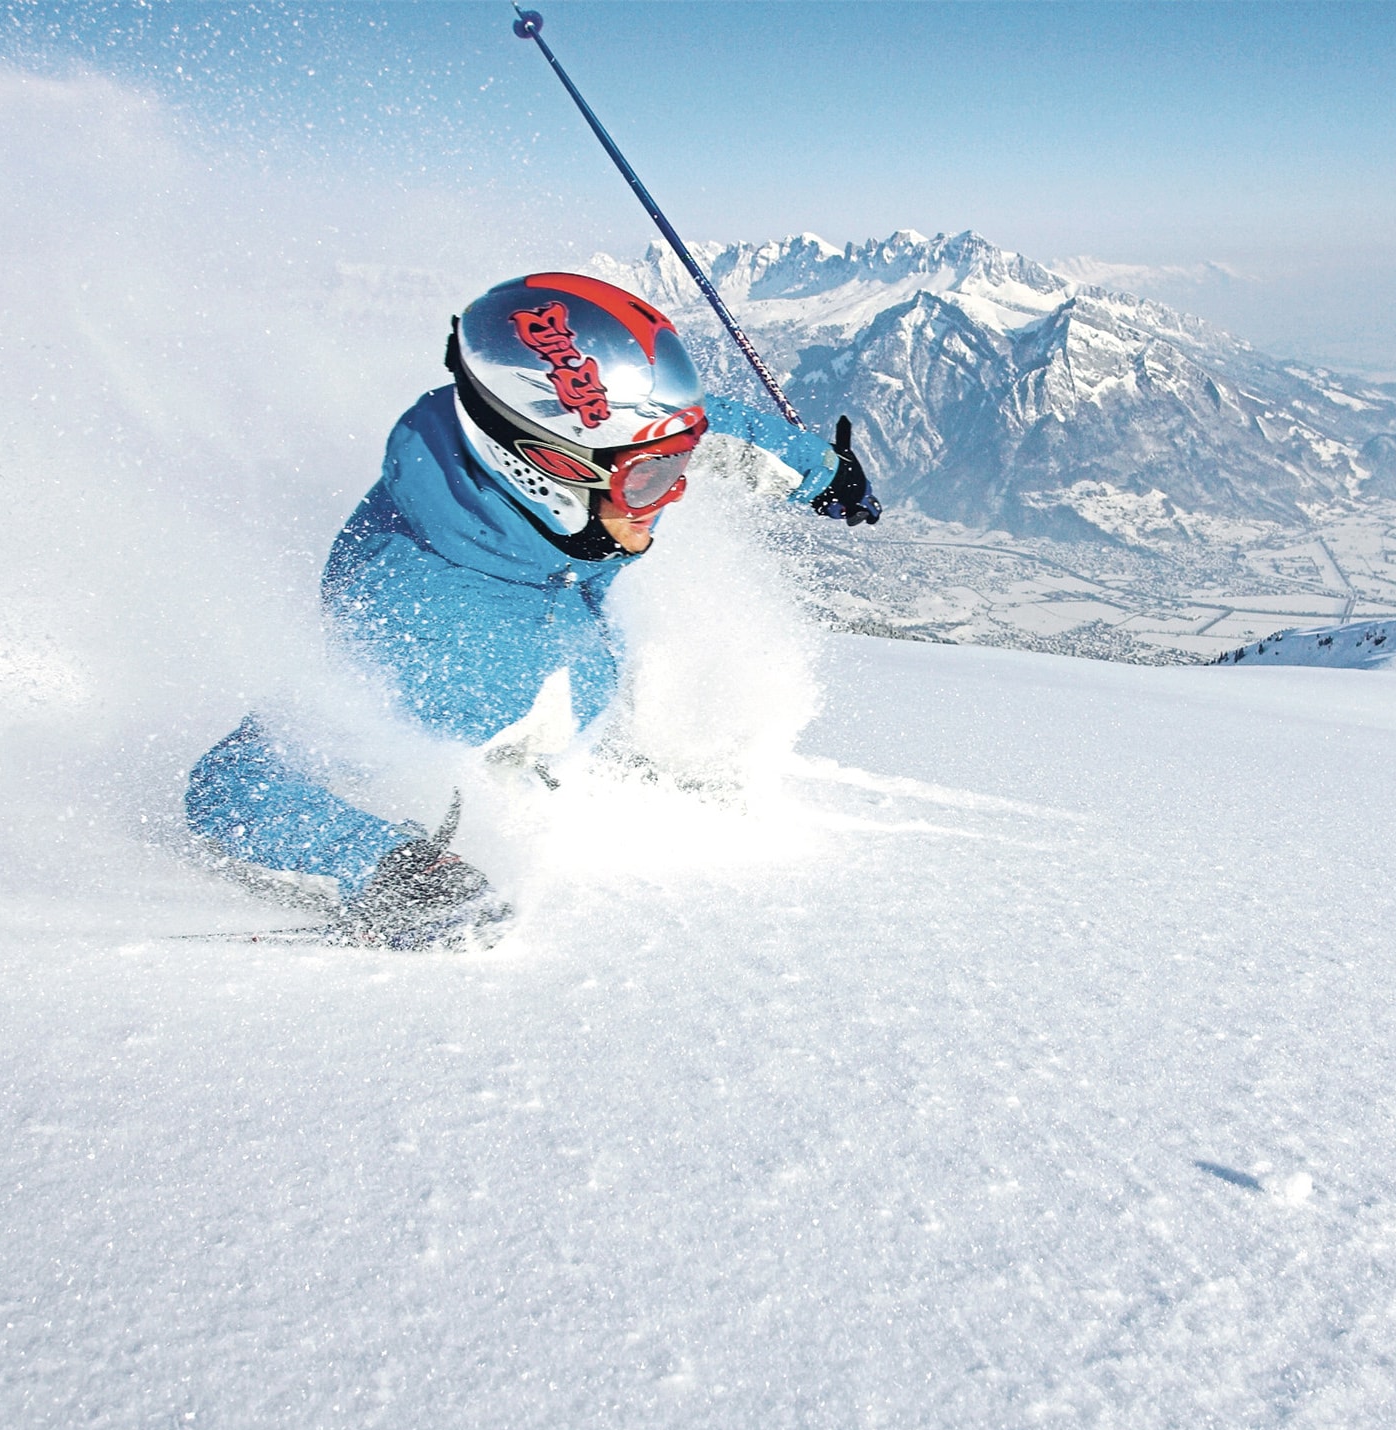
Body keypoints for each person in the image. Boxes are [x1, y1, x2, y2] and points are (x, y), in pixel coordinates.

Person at [185, 272, 878, 945]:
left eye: (675, 464)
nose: (673, 493)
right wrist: (388, 866)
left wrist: (818, 473)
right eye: (654, 476)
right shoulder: (428, 651)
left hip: (549, 617)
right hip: (495, 685)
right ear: (544, 471)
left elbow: (697, 428)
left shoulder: (552, 493)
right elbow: (233, 786)